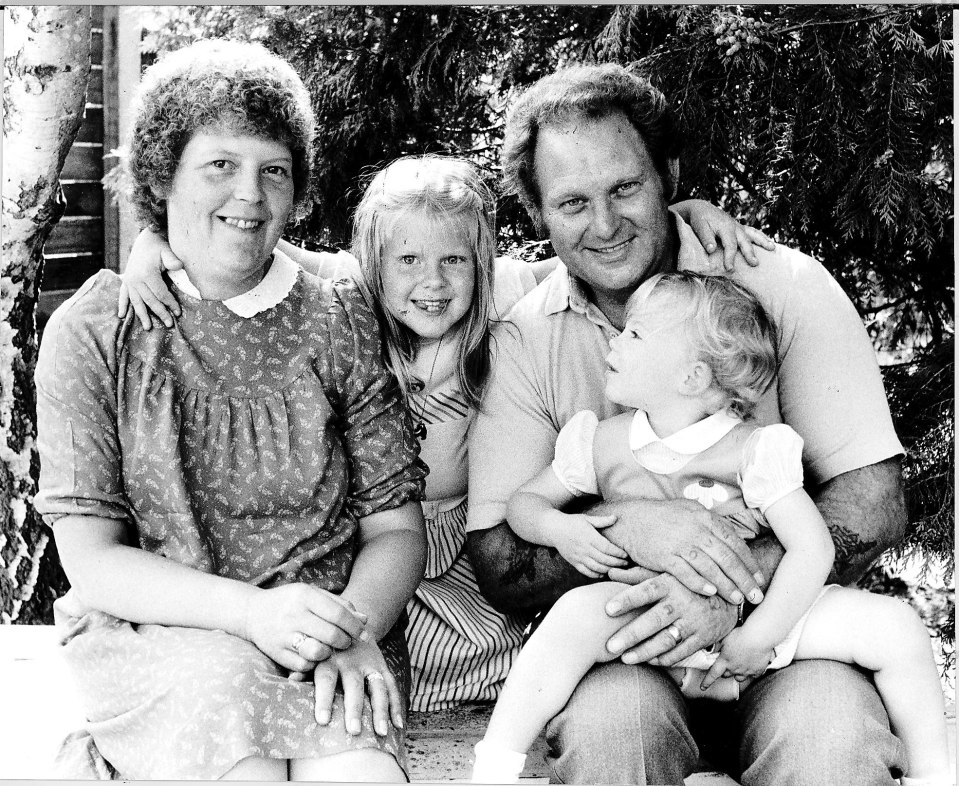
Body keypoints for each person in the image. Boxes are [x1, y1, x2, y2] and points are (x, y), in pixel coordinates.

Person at [118, 150, 772, 716]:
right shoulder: (345, 291)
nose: (431, 283)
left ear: (481, 259)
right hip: (370, 545)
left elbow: (606, 255)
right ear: (374, 259)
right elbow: (249, 241)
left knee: (515, 651)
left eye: (453, 260)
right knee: (333, 641)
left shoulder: (506, 291)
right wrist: (152, 242)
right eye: (407, 259)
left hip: (461, 550)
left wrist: (689, 213)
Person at [466, 63, 913, 785]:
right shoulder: (525, 335)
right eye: (572, 202)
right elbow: (498, 556)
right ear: (538, 213)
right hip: (623, 647)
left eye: (624, 187)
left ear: (667, 172)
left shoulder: (783, 288)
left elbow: (873, 502)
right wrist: (631, 530)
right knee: (612, 737)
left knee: (831, 739)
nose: (604, 224)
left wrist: (723, 592)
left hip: (790, 639)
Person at [33, 39, 428, 782]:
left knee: (360, 776)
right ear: (162, 175)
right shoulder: (94, 332)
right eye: (220, 165)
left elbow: (397, 530)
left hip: (331, 635)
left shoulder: (338, 313)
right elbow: (91, 561)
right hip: (164, 635)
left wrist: (350, 626)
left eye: (272, 171)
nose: (249, 195)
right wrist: (252, 616)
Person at [470, 272, 950, 786]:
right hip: (643, 622)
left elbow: (811, 548)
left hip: (759, 625)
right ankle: (497, 763)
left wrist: (760, 636)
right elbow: (525, 504)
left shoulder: (755, 449)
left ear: (692, 378)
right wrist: (559, 529)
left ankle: (934, 775)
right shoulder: (601, 441)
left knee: (894, 627)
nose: (615, 340)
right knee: (568, 620)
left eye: (634, 334)